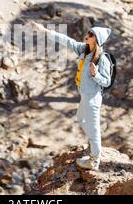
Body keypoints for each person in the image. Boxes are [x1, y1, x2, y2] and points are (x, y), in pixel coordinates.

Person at [31, 21, 112, 170]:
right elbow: (67, 40)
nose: (87, 35)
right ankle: (92, 144)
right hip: (84, 95)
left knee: (94, 129)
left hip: (92, 98)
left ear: (97, 40)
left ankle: (94, 160)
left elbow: (107, 82)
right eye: (88, 33)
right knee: (80, 119)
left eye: (91, 35)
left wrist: (96, 75)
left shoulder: (103, 59)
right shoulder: (84, 50)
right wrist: (45, 31)